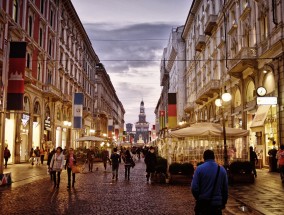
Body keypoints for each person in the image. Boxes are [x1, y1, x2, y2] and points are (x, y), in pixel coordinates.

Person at [191, 150, 228, 215]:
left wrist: (199, 198)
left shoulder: (199, 169)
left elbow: (194, 188)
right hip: (217, 205)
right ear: (214, 157)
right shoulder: (222, 170)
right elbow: (225, 189)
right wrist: (223, 202)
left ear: (204, 158)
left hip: (203, 204)